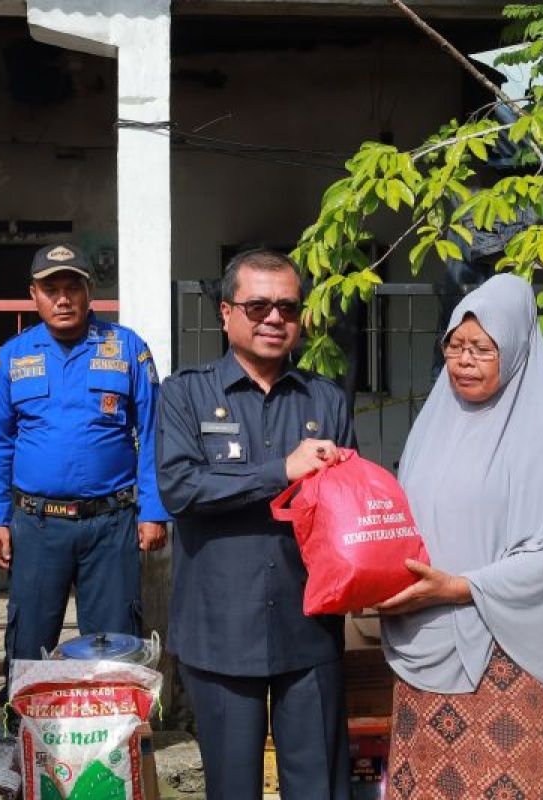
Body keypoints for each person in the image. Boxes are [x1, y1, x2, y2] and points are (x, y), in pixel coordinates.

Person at [377, 273, 543, 799]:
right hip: (425, 645)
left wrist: (460, 587)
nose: (464, 360)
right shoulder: (431, 425)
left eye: (483, 348)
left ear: (514, 351)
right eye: (455, 346)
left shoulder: (538, 435)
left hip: (509, 661)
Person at [157, 248, 355, 800]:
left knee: (319, 785)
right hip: (222, 629)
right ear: (226, 313)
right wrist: (280, 471)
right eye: (258, 305)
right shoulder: (184, 394)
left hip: (308, 626)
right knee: (233, 788)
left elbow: (348, 509)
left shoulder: (325, 399)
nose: (274, 318)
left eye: (288, 308)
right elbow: (180, 488)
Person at [0, 243, 168, 681]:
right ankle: (22, 740)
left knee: (113, 645)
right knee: (29, 643)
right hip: (37, 526)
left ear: (90, 293)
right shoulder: (13, 356)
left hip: (110, 523)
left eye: (72, 288)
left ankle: (116, 742)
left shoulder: (127, 349)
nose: (62, 299)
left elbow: (154, 433)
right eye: (51, 289)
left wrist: (154, 511)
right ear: (34, 294)